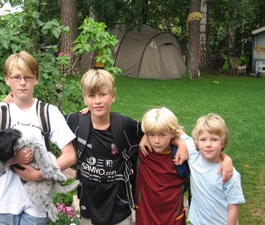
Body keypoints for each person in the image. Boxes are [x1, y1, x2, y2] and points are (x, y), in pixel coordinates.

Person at [65, 69, 189, 225]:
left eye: (102, 94)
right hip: (88, 208)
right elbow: (47, 126)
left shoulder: (124, 125)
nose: (97, 101)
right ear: (85, 99)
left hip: (119, 210)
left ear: (113, 96)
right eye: (91, 96)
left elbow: (159, 130)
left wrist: (179, 143)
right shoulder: (75, 121)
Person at [0, 51, 77, 225]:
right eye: (17, 77)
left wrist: (40, 174)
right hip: (4, 201)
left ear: (36, 79)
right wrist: (14, 158)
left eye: (28, 77)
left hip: (37, 205)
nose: (23, 83)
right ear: (7, 79)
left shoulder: (48, 113)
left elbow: (70, 154)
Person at [183, 113, 245, 225]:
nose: (208, 144)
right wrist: (179, 144)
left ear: (223, 143)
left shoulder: (229, 174)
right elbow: (173, 131)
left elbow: (233, 208)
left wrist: (226, 158)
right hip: (197, 221)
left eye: (214, 139)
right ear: (196, 142)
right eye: (203, 139)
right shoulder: (194, 155)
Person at [135, 107, 189, 225]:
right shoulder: (141, 151)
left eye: (162, 135)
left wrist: (226, 160)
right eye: (151, 135)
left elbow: (211, 158)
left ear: (172, 134)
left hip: (174, 217)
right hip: (145, 216)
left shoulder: (182, 155)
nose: (156, 141)